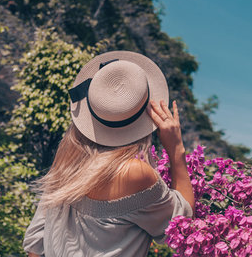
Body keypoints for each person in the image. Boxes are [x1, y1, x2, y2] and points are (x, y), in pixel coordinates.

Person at [23, 50, 195, 257]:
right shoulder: (133, 173)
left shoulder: (67, 161)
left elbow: (35, 245)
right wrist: (176, 149)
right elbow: (183, 227)